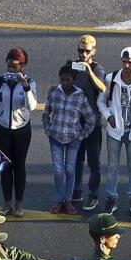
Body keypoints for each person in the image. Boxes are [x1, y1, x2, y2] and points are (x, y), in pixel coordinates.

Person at [0, 48, 37, 216]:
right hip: (2, 129)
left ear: (22, 66)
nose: (11, 71)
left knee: (19, 166)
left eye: (15, 67)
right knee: (4, 166)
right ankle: (7, 203)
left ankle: (19, 204)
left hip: (21, 129)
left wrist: (25, 86)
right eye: (9, 67)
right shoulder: (0, 82)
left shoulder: (30, 82)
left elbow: (32, 106)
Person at [98, 46, 131, 217]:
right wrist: (108, 117)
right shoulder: (111, 79)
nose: (126, 65)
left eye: (130, 62)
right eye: (124, 62)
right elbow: (101, 101)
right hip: (115, 131)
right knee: (112, 167)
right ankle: (111, 197)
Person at [44, 66, 97, 215]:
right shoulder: (54, 93)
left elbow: (91, 119)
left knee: (69, 169)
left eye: (68, 80)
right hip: (55, 137)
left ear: (73, 80)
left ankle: (68, 199)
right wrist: (48, 130)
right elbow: (46, 114)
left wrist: (81, 135)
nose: (65, 82)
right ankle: (60, 200)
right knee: (58, 170)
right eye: (62, 80)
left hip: (73, 138)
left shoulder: (80, 97)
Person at [63, 34, 107, 211]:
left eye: (86, 51)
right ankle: (76, 190)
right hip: (75, 122)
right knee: (76, 159)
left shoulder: (97, 69)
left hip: (92, 124)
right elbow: (64, 83)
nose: (83, 54)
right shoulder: (72, 66)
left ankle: (93, 194)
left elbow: (103, 88)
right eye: (80, 50)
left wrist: (89, 72)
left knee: (94, 162)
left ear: (93, 51)